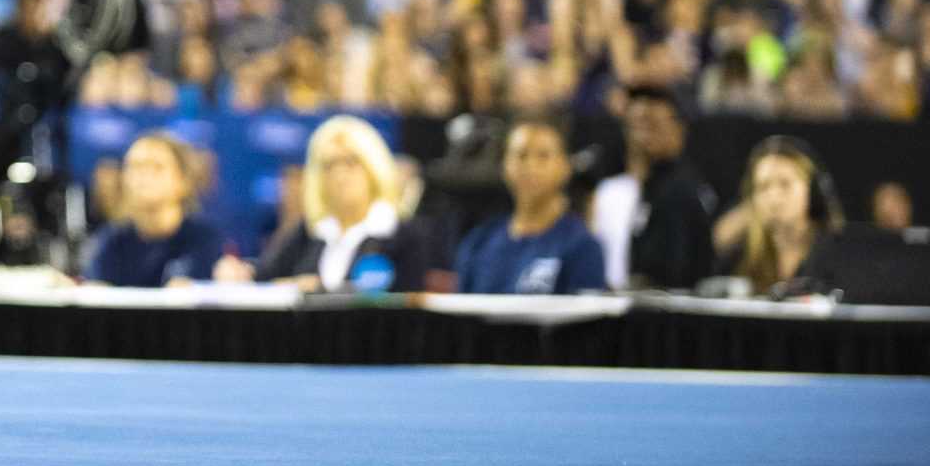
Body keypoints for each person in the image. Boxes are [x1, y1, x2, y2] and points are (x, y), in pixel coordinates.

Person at [253, 116, 433, 293]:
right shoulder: (311, 231)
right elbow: (264, 277)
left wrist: (320, 291)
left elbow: (406, 302)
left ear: (372, 168)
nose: (340, 175)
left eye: (351, 162)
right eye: (329, 165)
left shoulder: (402, 236)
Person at [452, 119, 608, 295]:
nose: (530, 167)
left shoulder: (582, 246)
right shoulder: (478, 243)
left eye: (543, 156)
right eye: (521, 155)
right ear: (505, 166)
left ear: (565, 167)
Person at [82, 133, 229, 288]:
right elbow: (96, 292)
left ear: (183, 181)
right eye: (134, 167)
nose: (143, 176)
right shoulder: (110, 241)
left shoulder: (204, 239)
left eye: (156, 167)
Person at [715, 137, 852, 299]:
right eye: (763, 186)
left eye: (785, 184)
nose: (774, 198)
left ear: (812, 191)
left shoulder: (840, 255)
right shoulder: (741, 256)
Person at [613, 86, 719, 290]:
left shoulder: (680, 189)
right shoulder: (638, 186)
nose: (643, 137)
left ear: (679, 130)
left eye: (653, 126)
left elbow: (675, 272)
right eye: (636, 126)